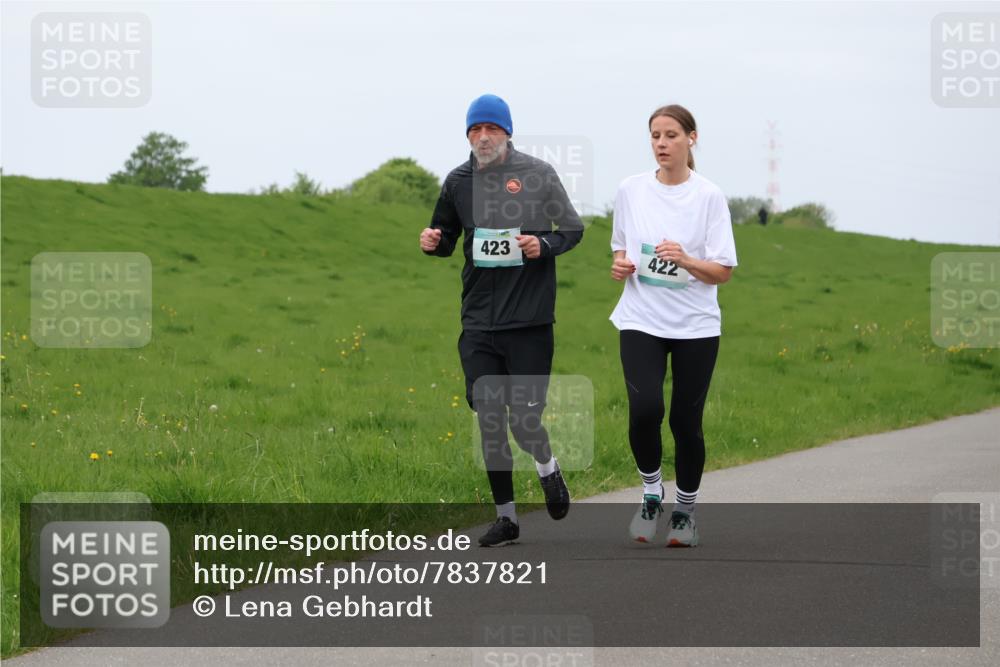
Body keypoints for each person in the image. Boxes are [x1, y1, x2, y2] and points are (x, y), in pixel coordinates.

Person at [420, 93, 584, 547]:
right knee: (490, 416)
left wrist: (542, 245)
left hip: (529, 321)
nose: (483, 136)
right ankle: (506, 517)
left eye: (492, 128)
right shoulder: (458, 181)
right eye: (475, 129)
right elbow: (447, 235)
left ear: (507, 132)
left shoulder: (538, 174)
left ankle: (548, 468)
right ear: (468, 135)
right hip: (478, 323)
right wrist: (433, 241)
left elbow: (571, 229)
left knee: (524, 421)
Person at [608, 104, 737, 547]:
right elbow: (621, 251)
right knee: (645, 410)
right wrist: (621, 266)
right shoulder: (630, 189)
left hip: (695, 326)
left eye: (670, 136)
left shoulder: (709, 196)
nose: (661, 144)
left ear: (691, 139)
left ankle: (684, 511)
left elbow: (722, 271)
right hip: (641, 317)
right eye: (655, 136)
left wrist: (685, 259)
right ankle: (650, 492)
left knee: (686, 422)